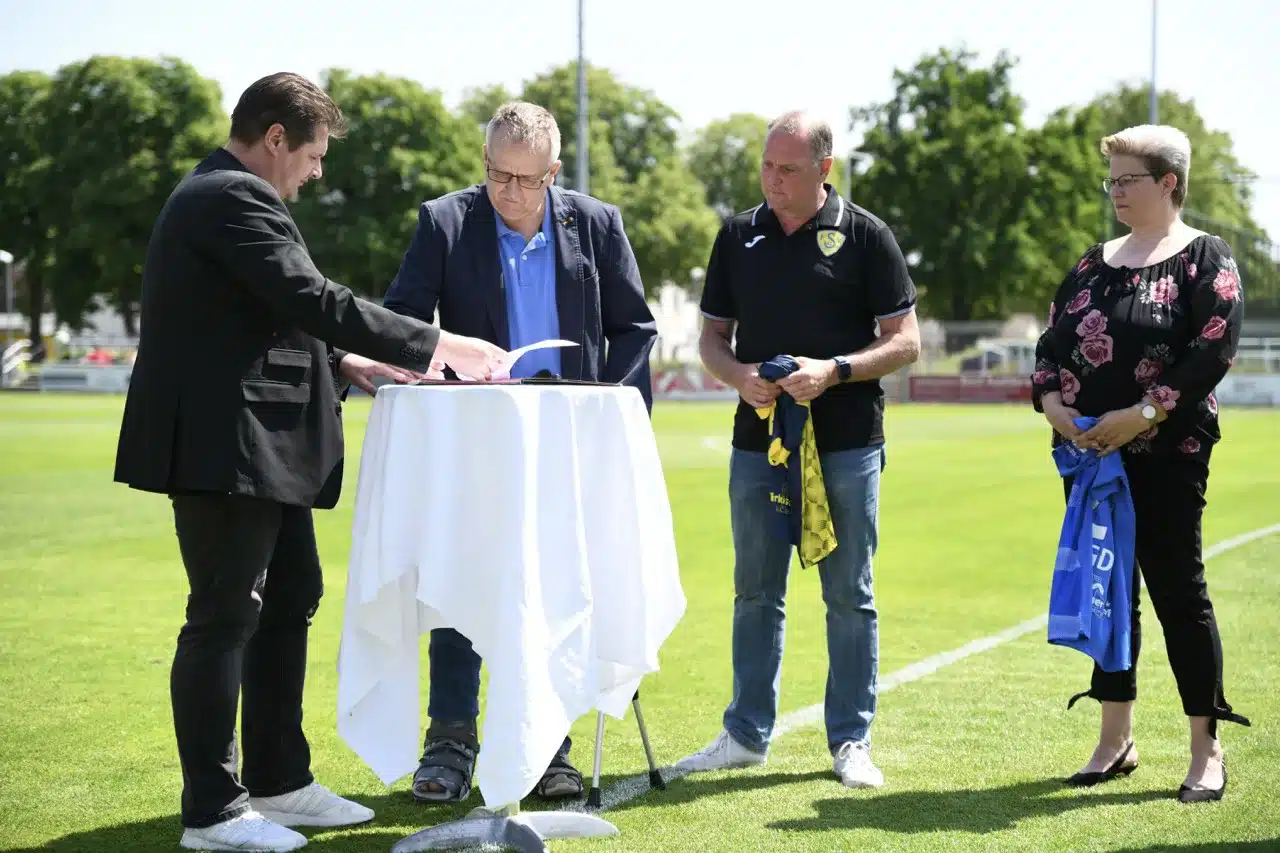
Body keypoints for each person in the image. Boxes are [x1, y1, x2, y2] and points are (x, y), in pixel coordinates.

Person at [113, 72, 507, 853]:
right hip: (226, 446)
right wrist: (437, 344)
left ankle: (279, 781)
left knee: (291, 592)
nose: (317, 171)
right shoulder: (230, 197)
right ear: (275, 139)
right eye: (315, 155)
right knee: (225, 614)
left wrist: (351, 365)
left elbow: (269, 310)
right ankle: (214, 812)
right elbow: (308, 294)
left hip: (260, 444)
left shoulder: (232, 197)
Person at [381, 100, 657, 803]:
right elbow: (404, 326)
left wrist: (608, 415)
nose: (508, 192)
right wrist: (443, 369)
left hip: (568, 447)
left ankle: (549, 745)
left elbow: (635, 331)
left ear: (554, 174)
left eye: (527, 180)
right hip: (473, 445)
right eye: (497, 175)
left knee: (556, 586)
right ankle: (449, 740)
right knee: (458, 583)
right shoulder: (444, 221)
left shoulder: (597, 225)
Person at [677, 110, 920, 789]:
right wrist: (738, 378)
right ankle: (745, 733)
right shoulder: (736, 235)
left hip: (845, 445)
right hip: (757, 443)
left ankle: (852, 740)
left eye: (788, 169)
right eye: (766, 166)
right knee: (755, 590)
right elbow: (711, 340)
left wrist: (834, 370)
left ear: (825, 169)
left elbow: (907, 341)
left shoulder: (868, 235)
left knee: (849, 592)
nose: (773, 180)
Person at [1030, 124, 1248, 803]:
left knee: (1178, 592)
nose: (1115, 191)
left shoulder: (1204, 260)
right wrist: (1054, 403)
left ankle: (1206, 749)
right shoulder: (1093, 263)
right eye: (1112, 180)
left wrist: (1143, 413)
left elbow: (1212, 351)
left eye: (1128, 179)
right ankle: (1114, 737)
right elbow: (1052, 341)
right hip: (1091, 458)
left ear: (1169, 183)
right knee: (1109, 588)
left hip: (1167, 452)